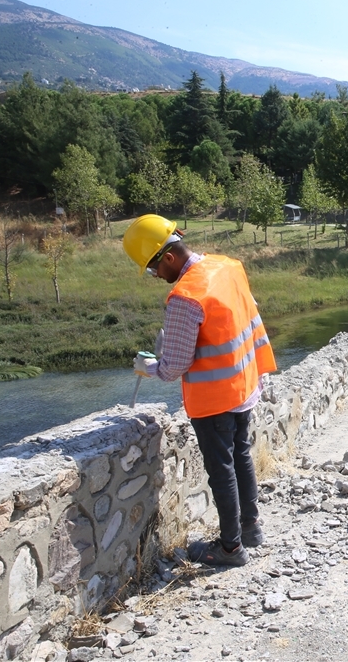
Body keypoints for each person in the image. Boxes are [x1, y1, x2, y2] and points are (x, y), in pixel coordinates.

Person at [123, 214, 276, 567]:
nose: (156, 277)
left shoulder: (185, 297)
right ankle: (250, 528)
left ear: (169, 257)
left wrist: (148, 366)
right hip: (243, 385)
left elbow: (173, 366)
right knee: (241, 456)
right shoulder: (228, 267)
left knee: (221, 469)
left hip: (213, 399)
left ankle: (231, 548)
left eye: (152, 269)